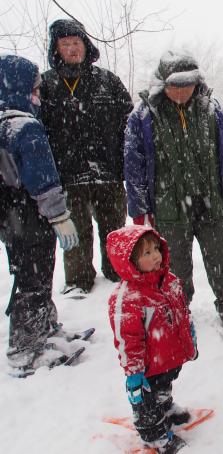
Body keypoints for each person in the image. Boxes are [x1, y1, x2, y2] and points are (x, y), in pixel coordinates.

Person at [124, 51, 223, 326]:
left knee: (221, 257)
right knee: (175, 264)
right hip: (168, 206)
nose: (181, 91)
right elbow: (134, 166)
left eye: (187, 85)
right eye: (174, 86)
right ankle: (176, 308)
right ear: (162, 84)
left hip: (210, 200)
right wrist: (140, 208)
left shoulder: (211, 109)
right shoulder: (144, 115)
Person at [39, 19, 133, 294]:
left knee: (114, 229)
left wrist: (126, 164)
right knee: (76, 233)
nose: (72, 49)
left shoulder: (107, 81)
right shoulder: (46, 85)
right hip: (68, 175)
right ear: (56, 48)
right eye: (65, 44)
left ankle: (118, 271)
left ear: (85, 45)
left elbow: (129, 122)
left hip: (108, 173)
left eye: (76, 43)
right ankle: (79, 281)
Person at [0, 54, 80, 375]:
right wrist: (59, 216)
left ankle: (46, 328)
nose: (37, 95)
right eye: (34, 89)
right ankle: (26, 349)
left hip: (10, 220)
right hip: (32, 215)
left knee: (26, 275)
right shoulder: (25, 127)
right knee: (36, 278)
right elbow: (42, 178)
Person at [107, 225, 197, 454]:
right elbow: (128, 341)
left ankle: (165, 407)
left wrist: (190, 336)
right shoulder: (127, 298)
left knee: (163, 387)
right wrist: (134, 372)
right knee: (146, 402)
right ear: (129, 261)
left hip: (168, 358)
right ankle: (153, 434)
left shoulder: (169, 281)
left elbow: (181, 313)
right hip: (147, 367)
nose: (156, 255)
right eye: (147, 253)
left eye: (156, 248)